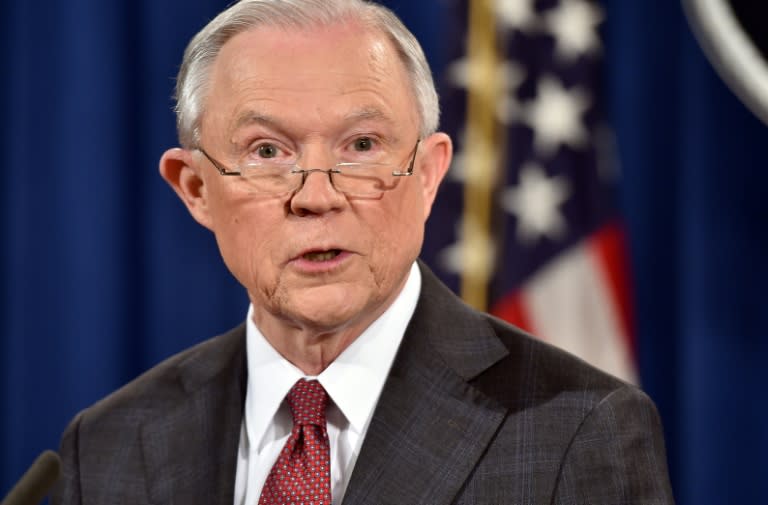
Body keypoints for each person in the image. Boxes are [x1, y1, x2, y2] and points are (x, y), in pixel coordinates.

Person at [52, 0, 675, 503]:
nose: (317, 196)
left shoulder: (577, 430)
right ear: (196, 189)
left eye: (362, 145)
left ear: (429, 175)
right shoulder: (111, 445)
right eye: (268, 151)